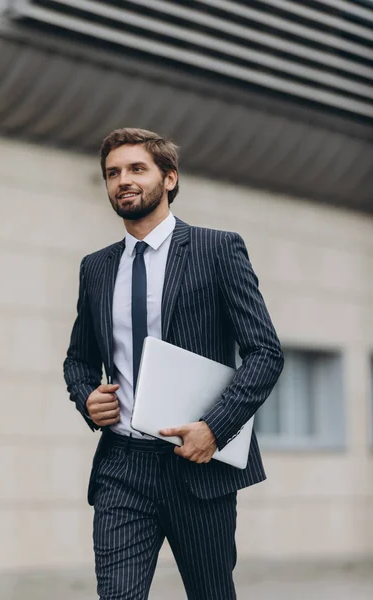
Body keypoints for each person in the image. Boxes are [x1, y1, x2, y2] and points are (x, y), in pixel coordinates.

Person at [63, 128, 284, 600]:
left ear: (169, 178)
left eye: (136, 169)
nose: (123, 180)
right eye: (112, 173)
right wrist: (87, 397)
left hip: (197, 464)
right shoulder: (96, 268)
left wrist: (214, 428)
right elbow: (78, 360)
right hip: (122, 468)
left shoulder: (217, 249)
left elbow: (265, 352)